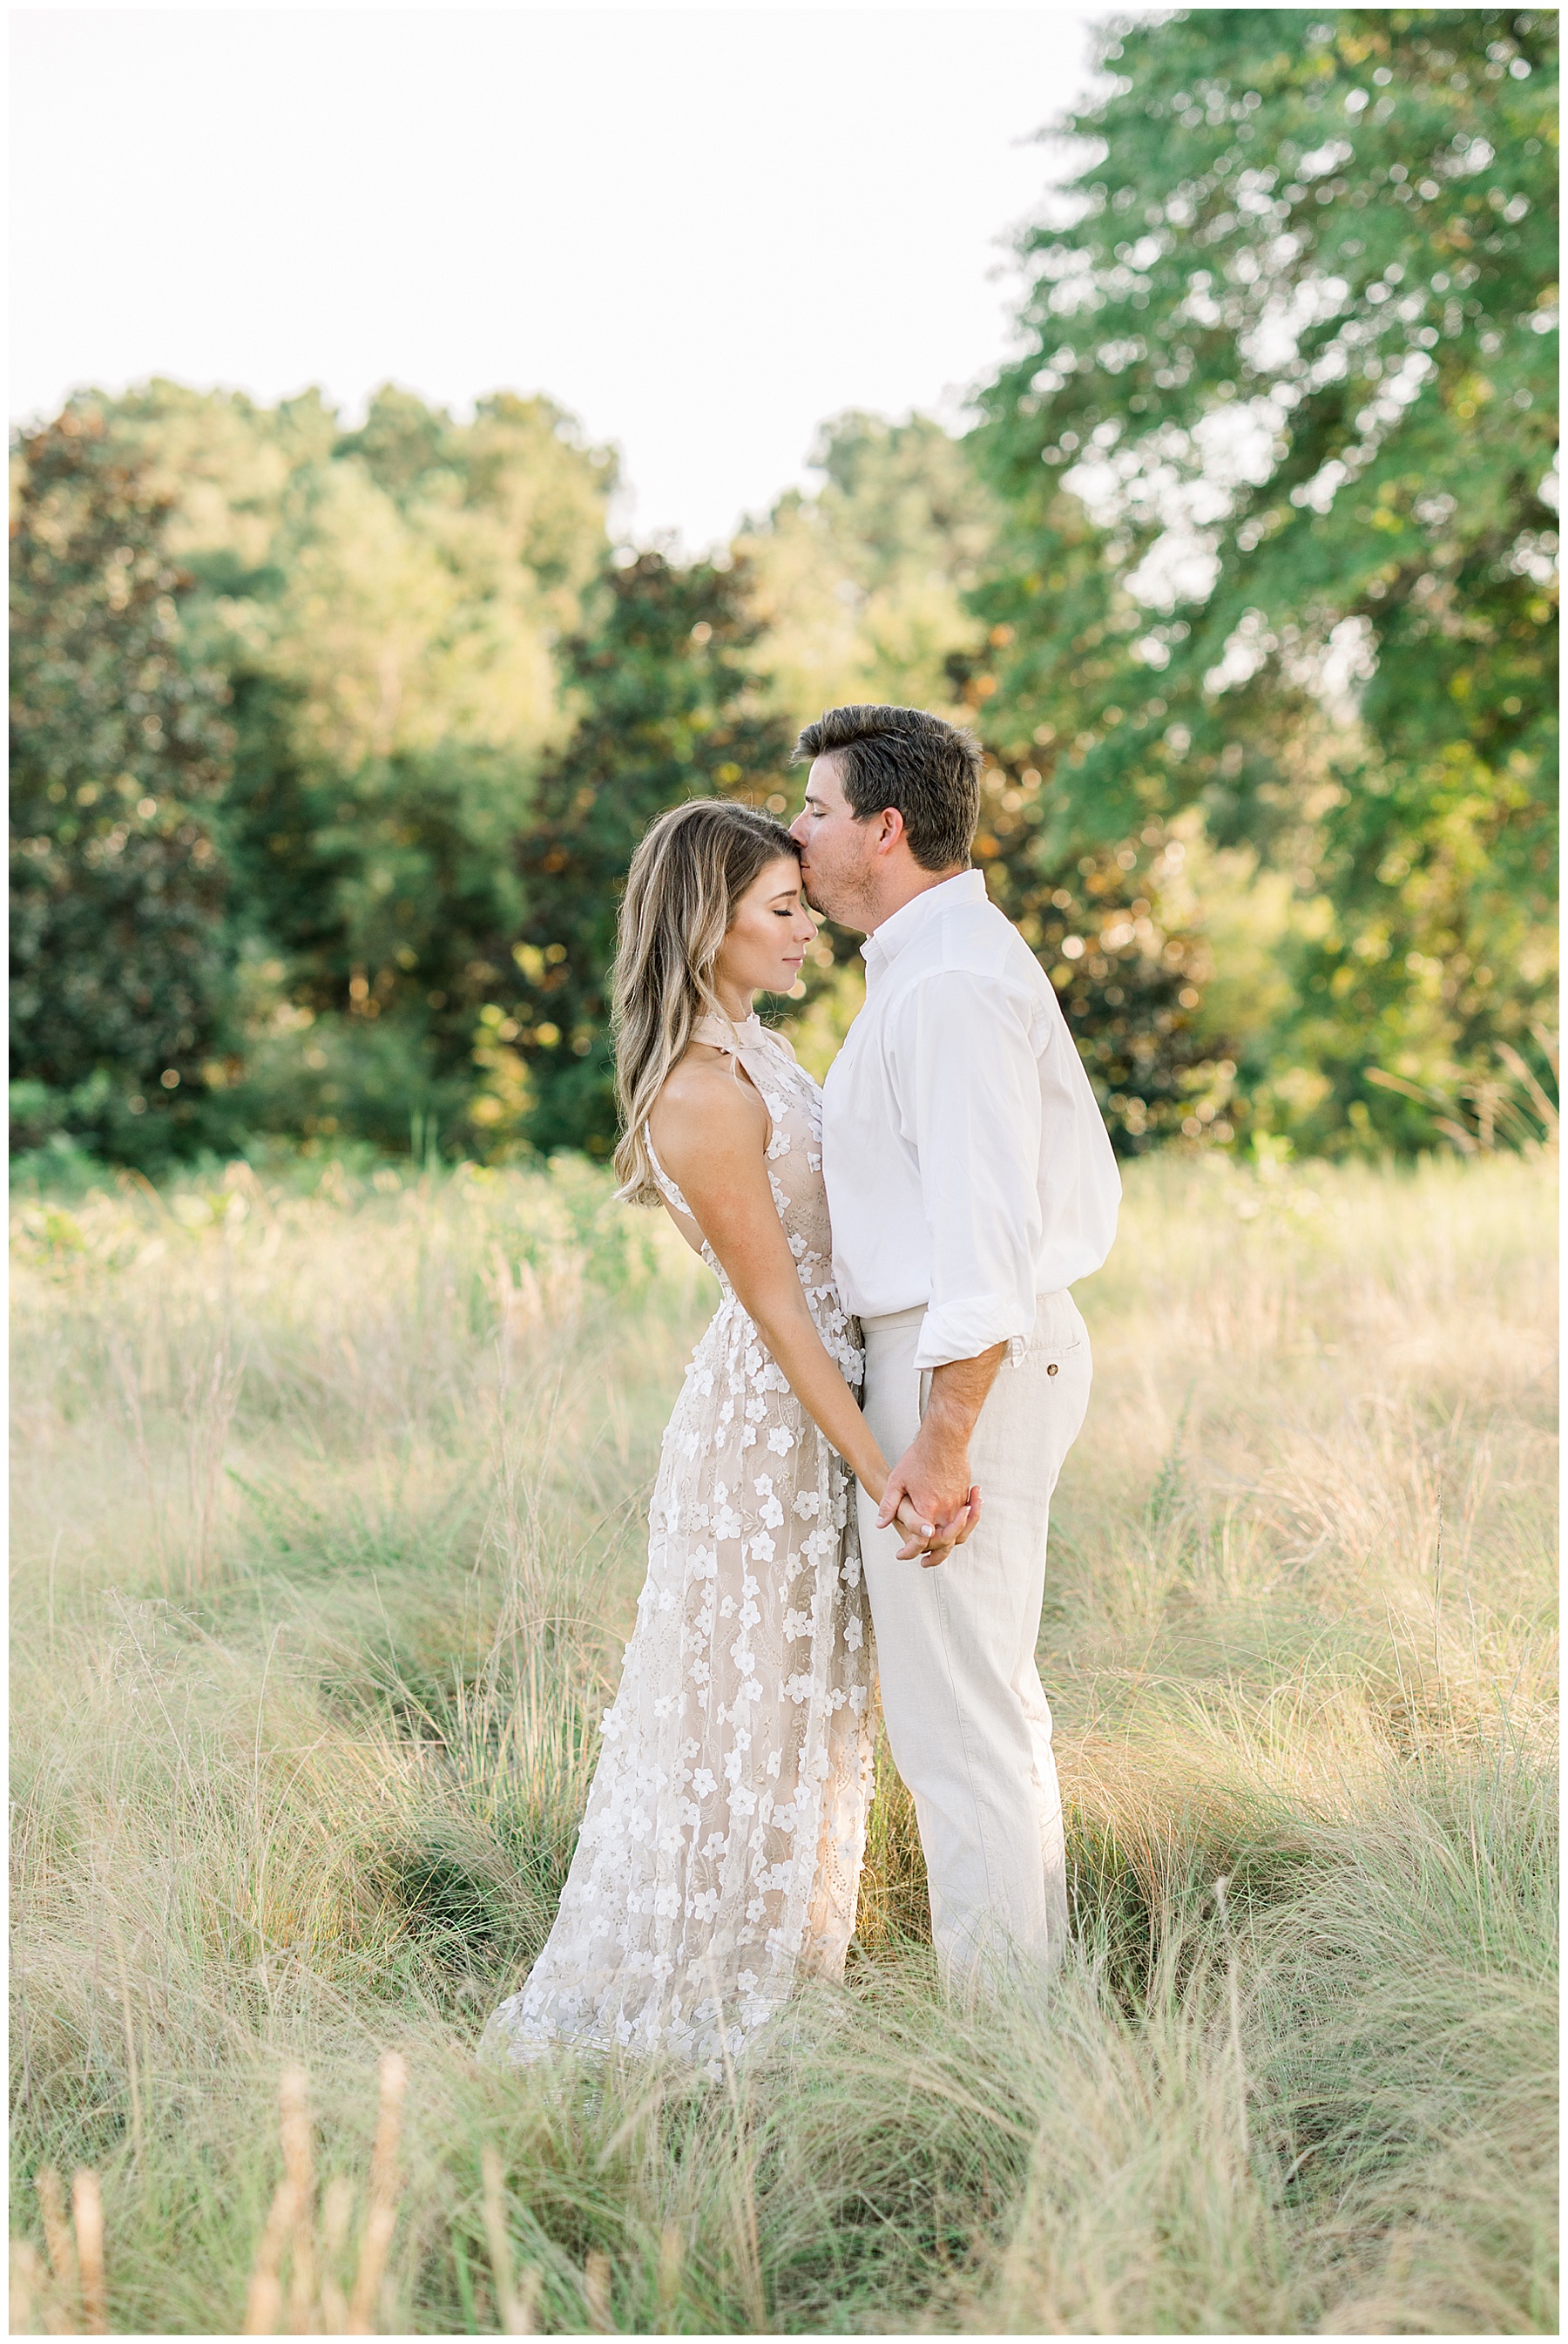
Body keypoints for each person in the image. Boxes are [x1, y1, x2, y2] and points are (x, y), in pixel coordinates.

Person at [480, 798, 970, 2077]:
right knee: (744, 1717)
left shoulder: (757, 1045)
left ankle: (789, 1968)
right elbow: (777, 1311)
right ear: (710, 923)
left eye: (804, 906)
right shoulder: (699, 1088)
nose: (806, 930)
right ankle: (699, 1996)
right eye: (782, 911)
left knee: (808, 1717)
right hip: (772, 1437)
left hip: (827, 1413)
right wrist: (887, 1473)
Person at [789, 703, 1121, 1990]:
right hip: (951, 1358)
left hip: (960, 1364)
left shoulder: (955, 984)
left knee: (958, 1719)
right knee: (981, 1701)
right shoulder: (926, 968)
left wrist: (938, 1438)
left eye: (817, 810)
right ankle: (1023, 2006)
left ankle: (1003, 2036)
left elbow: (987, 1242)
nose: (798, 832)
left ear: (885, 827)